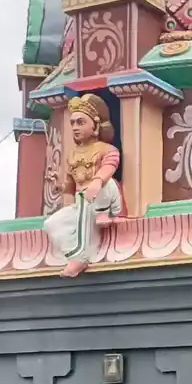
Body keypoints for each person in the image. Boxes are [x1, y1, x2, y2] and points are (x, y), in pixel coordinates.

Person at [43, 94, 124, 277]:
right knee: (52, 224)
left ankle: (81, 256)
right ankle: (73, 254)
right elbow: (71, 187)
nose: (75, 127)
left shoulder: (107, 149)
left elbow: (109, 168)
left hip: (106, 199)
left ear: (94, 125)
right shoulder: (72, 155)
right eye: (72, 123)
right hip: (82, 203)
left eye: (80, 122)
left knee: (105, 184)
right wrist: (58, 186)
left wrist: (96, 182)